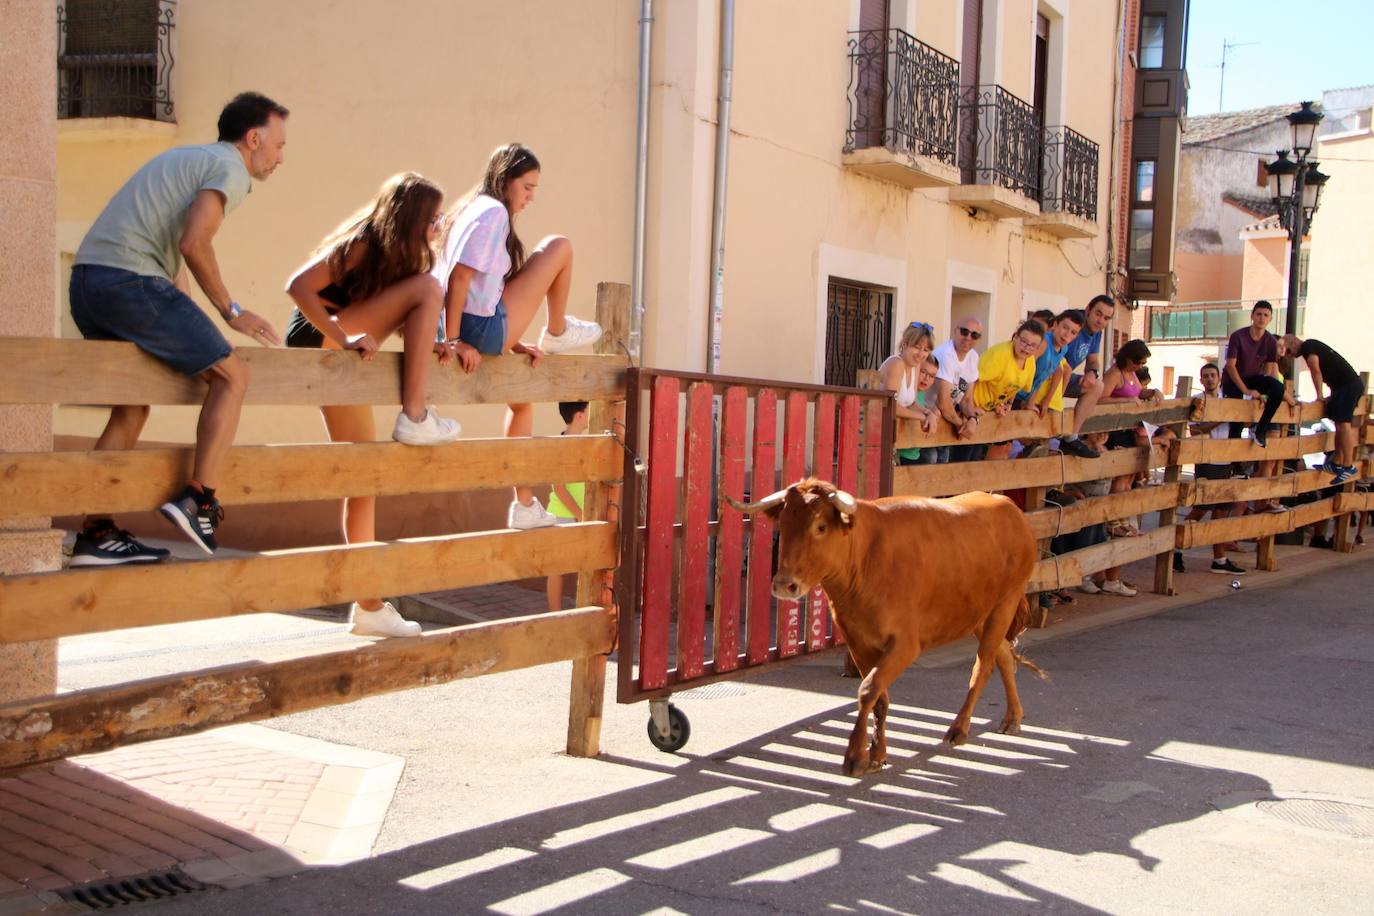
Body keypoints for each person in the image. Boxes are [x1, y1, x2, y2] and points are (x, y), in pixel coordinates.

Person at [67, 92, 288, 566]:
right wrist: (231, 311)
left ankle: (95, 533)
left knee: (132, 408)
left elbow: (172, 257)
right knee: (234, 376)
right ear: (253, 139)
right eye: (279, 145)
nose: (281, 157)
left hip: (88, 284)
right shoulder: (229, 168)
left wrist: (196, 326)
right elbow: (194, 243)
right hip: (129, 282)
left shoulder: (189, 159)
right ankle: (200, 500)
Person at [285, 172, 463, 638]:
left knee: (363, 478)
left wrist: (435, 342)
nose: (439, 225)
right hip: (318, 339)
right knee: (428, 288)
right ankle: (415, 415)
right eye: (434, 217)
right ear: (410, 217)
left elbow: (395, 312)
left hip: (335, 356)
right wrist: (343, 336)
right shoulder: (364, 242)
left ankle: (368, 607)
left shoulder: (396, 257)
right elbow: (298, 285)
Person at [436, 143, 603, 529]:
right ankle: (557, 330)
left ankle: (524, 506)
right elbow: (460, 278)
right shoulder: (493, 212)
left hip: (474, 325)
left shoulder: (470, 208)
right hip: (478, 328)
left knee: (522, 403)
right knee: (559, 247)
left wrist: (512, 343)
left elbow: (479, 287)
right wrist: (455, 341)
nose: (530, 197)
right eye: (527, 187)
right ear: (505, 180)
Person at [1173, 363, 1246, 575]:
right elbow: (1195, 430)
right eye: (1206, 376)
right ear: (1201, 380)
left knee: (1221, 510)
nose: (1210, 379)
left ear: (1219, 378)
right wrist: (1218, 420)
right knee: (1202, 507)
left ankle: (1219, 559)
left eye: (1213, 375)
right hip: (1206, 459)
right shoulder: (1198, 401)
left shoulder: (1228, 400)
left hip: (1226, 458)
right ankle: (1176, 549)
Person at [1283, 334, 1364, 484]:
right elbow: (1331, 368)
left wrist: (1319, 395)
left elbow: (1316, 370)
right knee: (1339, 424)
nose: (1290, 355)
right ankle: (1337, 462)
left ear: (1294, 342)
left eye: (1288, 351)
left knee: (1344, 424)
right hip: (1342, 387)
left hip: (1348, 386)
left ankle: (1348, 465)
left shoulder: (1308, 347)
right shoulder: (1311, 346)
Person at [970, 319, 1045, 461]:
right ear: (1015, 336)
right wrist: (970, 407)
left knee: (984, 455)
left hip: (990, 412)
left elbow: (1015, 387)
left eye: (1033, 345)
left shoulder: (1030, 362)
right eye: (1024, 341)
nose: (1027, 348)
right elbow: (972, 379)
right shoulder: (1000, 355)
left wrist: (1007, 404)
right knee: (964, 457)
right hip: (972, 408)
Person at [1223, 301, 1293, 447]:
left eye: (1266, 315)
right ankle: (1233, 457)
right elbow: (1230, 366)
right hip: (1233, 379)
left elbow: (1268, 369)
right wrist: (1246, 391)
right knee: (1237, 421)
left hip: (1252, 377)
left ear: (1270, 319)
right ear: (1252, 316)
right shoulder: (1238, 336)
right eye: (1259, 314)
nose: (1262, 318)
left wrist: (1263, 392)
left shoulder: (1271, 341)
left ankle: (1261, 430)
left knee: (1278, 388)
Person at [1056, 294, 1118, 457]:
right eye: (1098, 314)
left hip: (1065, 380)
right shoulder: (1074, 324)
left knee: (1097, 385)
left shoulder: (1096, 333)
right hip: (1047, 378)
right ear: (1088, 310)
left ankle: (1071, 438)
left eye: (1106, 318)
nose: (1101, 321)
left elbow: (1093, 361)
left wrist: (1092, 372)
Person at [546, 400, 590, 611]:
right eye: (588, 410)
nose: (591, 413)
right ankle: (555, 617)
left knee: (587, 567)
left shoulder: (587, 444)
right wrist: (580, 514)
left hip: (582, 515)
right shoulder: (559, 447)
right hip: (562, 515)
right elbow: (559, 488)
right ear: (579, 416)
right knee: (557, 569)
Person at [880, 322, 938, 466]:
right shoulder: (896, 364)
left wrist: (928, 413)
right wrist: (922, 417)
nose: (921, 354)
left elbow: (911, 402)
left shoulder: (915, 366)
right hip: (877, 436)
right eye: (917, 347)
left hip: (894, 437)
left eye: (926, 350)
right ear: (904, 345)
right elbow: (890, 406)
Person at [930, 317, 984, 463]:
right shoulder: (945, 355)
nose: (968, 337)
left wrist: (973, 419)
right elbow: (943, 402)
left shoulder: (973, 357)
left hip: (947, 420)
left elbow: (967, 400)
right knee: (931, 463)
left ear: (979, 339)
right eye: (964, 332)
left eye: (974, 335)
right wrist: (962, 426)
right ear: (955, 331)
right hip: (929, 416)